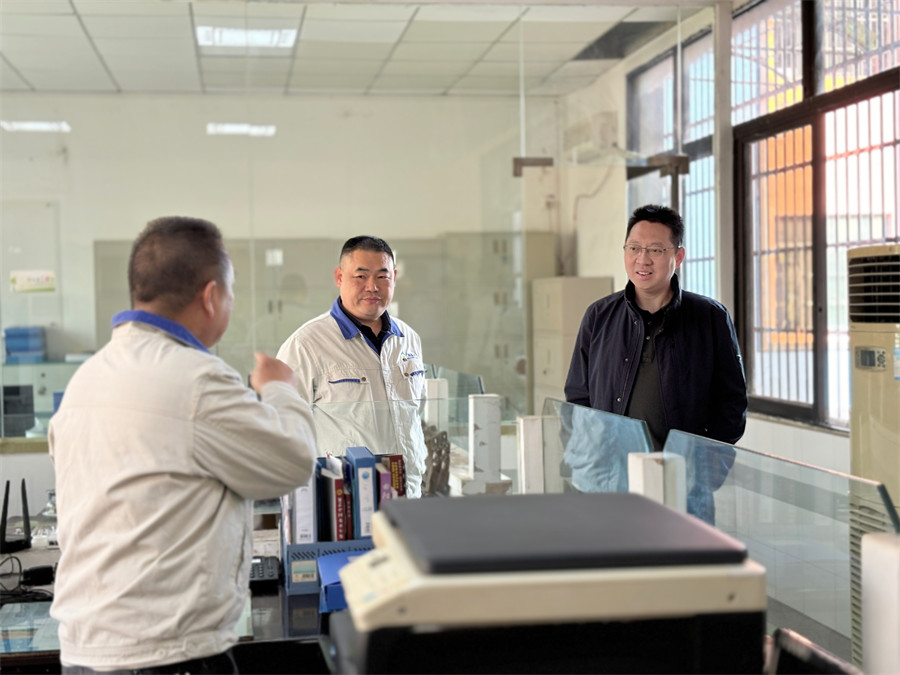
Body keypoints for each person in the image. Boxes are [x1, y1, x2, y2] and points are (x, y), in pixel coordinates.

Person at [48, 216, 317, 674]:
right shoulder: (197, 379)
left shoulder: (87, 379)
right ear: (210, 297)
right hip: (167, 655)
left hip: (86, 652)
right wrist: (279, 387)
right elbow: (292, 460)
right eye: (231, 293)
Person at [564, 204, 747, 523]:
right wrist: (587, 459)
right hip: (607, 481)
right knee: (610, 555)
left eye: (656, 250)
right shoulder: (599, 316)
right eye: (634, 248)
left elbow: (731, 403)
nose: (642, 259)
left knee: (681, 555)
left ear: (678, 256)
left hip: (682, 483)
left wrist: (705, 472)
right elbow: (578, 397)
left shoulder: (709, 318)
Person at [277, 235, 427, 498]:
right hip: (347, 499)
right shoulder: (306, 345)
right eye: (361, 276)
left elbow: (417, 416)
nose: (372, 287)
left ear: (394, 277)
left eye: (382, 276)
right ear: (339, 277)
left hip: (408, 493)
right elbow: (283, 432)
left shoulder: (408, 339)